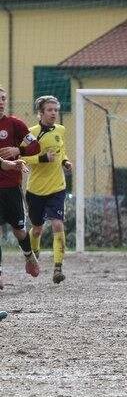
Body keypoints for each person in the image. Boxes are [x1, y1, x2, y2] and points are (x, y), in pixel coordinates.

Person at [22, 96, 72, 284]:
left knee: (58, 224)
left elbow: (62, 150)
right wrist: (42, 159)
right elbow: (22, 158)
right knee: (36, 230)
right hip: (35, 190)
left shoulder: (61, 130)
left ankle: (58, 268)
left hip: (57, 187)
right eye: (49, 110)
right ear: (40, 113)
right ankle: (33, 256)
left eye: (55, 110)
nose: (53, 113)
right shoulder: (31, 133)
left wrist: (65, 161)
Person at [0, 86, 41, 283]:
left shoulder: (15, 124)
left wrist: (18, 150)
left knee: (20, 231)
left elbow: (35, 146)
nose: (0, 102)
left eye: (3, 98)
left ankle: (29, 257)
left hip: (11, 188)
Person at [0, 157, 30, 290]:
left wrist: (14, 164)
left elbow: (2, 163)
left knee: (19, 231)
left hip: (11, 191)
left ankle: (29, 256)